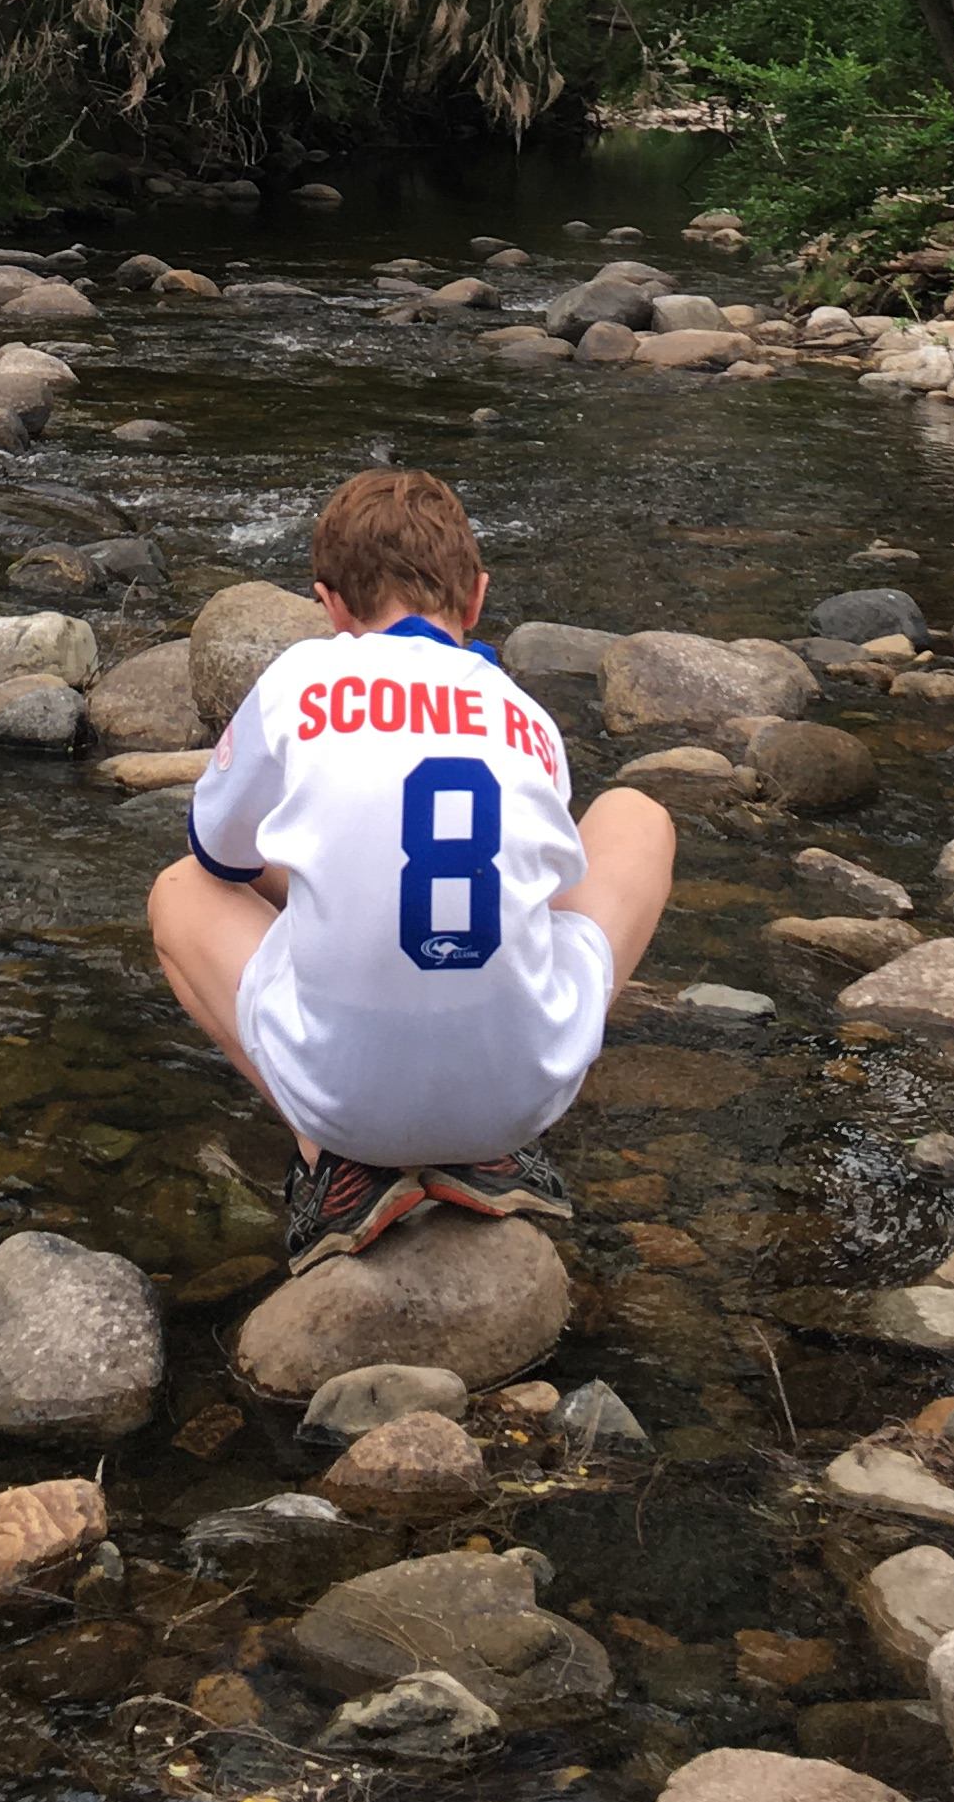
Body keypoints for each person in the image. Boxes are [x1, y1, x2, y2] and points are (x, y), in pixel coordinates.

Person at [147, 465, 676, 1274]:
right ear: (477, 600)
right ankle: (486, 1146)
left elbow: (220, 851)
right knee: (638, 817)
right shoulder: (523, 714)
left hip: (346, 1104)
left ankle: (331, 1160)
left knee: (181, 890)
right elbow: (540, 882)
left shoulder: (301, 680)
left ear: (329, 606)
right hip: (517, 1105)